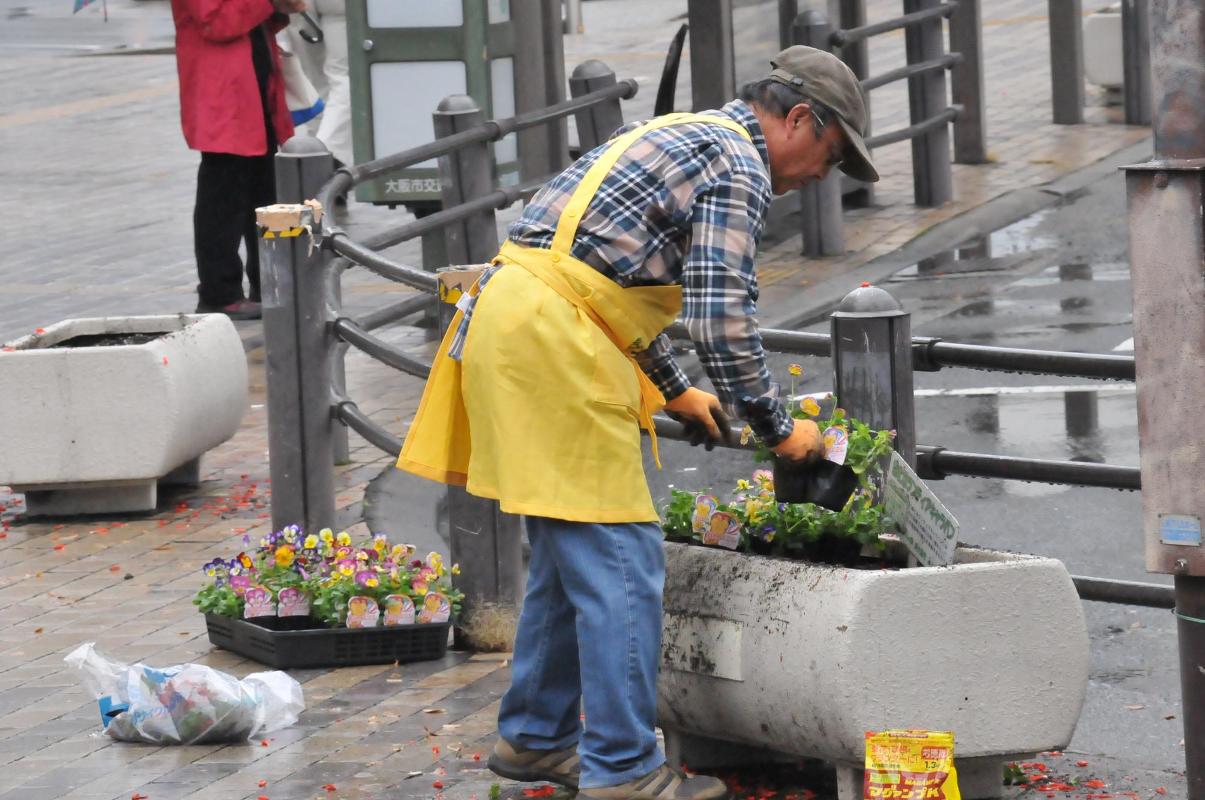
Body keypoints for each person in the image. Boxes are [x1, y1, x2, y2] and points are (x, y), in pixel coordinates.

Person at [397, 45, 879, 800]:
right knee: (623, 561)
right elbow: (723, 322)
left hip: (511, 323)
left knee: (568, 556)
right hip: (555, 344)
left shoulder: (681, 132)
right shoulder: (739, 168)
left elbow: (602, 271)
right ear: (796, 119)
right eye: (831, 152)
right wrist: (778, 429)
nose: (822, 174)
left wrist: (673, 386)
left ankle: (534, 740)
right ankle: (623, 771)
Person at [170, 0, 305, 321]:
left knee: (265, 191)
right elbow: (217, 22)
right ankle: (220, 292)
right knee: (223, 197)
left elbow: (261, 20)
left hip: (254, 86)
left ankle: (270, 283)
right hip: (223, 93)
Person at [285, 0, 352, 169]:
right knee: (344, 78)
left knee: (315, 85)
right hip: (342, 9)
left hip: (300, 8)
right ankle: (321, 155)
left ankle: (313, 148)